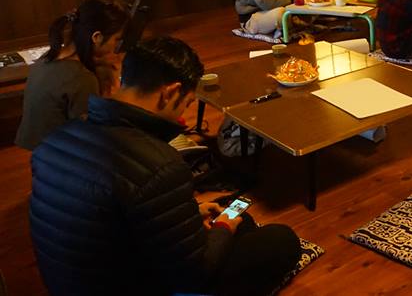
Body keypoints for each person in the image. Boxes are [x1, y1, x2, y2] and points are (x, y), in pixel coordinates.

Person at [29, 37, 301, 296]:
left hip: (69, 283)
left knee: (241, 223)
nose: (183, 114)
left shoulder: (57, 140)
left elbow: (109, 215)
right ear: (169, 92)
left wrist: (189, 212)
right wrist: (223, 229)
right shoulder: (160, 165)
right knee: (280, 240)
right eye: (186, 103)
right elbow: (196, 275)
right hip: (130, 287)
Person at [15, 0, 129, 150]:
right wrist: (113, 79)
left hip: (34, 148)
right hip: (55, 157)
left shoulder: (49, 56)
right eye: (117, 40)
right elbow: (94, 135)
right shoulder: (81, 78)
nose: (118, 47)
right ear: (97, 37)